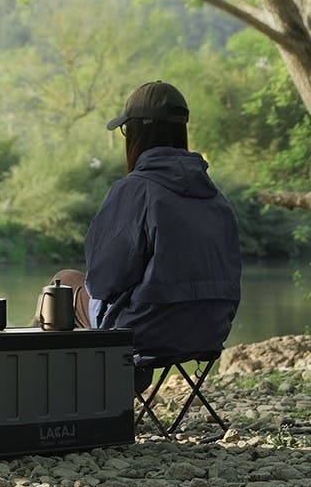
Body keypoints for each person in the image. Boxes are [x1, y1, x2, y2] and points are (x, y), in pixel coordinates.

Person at [37, 81, 241, 391]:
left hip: (147, 334)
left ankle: (54, 396)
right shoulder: (216, 197)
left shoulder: (134, 190)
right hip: (210, 332)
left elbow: (103, 282)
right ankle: (117, 385)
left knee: (62, 283)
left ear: (136, 134)